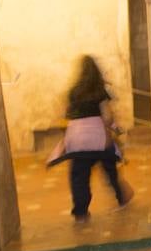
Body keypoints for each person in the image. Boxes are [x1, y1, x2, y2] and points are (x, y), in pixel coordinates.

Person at [46, 56, 132, 222]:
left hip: (76, 140)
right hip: (98, 139)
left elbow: (67, 115)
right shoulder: (100, 91)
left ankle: (80, 212)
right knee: (110, 169)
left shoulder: (73, 92)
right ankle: (122, 197)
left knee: (79, 177)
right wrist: (115, 128)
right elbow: (107, 117)